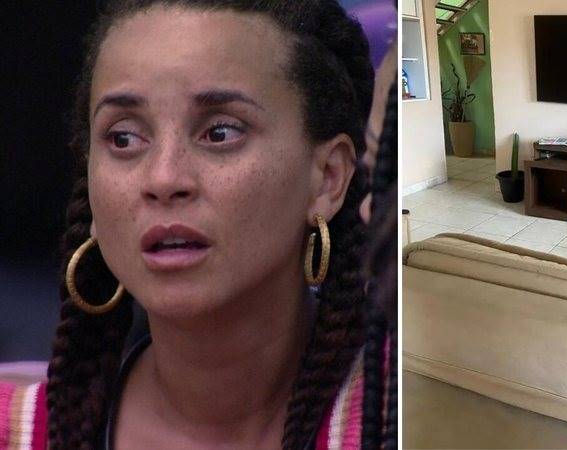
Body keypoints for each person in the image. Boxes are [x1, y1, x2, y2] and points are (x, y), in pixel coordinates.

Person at [0, 0, 395, 448]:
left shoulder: (398, 411)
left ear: (328, 177)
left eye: (220, 133)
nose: (164, 179)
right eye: (124, 138)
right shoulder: (19, 431)